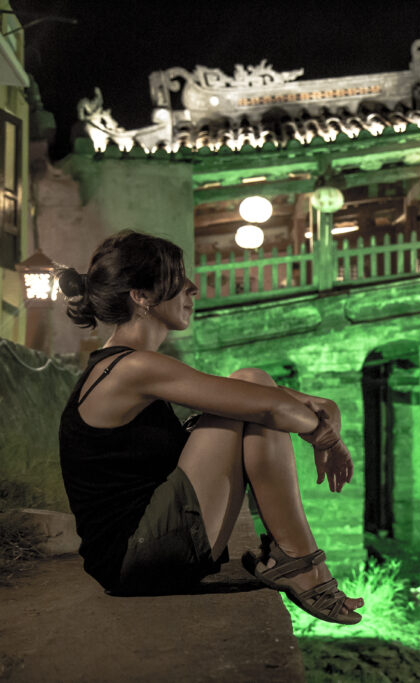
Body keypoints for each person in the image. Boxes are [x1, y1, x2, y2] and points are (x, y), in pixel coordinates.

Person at [56, 230, 362, 625]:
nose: (192, 287)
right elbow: (268, 407)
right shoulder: (133, 368)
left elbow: (259, 396)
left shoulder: (126, 365)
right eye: (177, 277)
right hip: (138, 555)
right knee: (255, 395)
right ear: (142, 296)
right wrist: (326, 437)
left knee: (251, 383)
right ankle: (301, 563)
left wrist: (324, 409)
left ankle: (298, 560)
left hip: (143, 552)